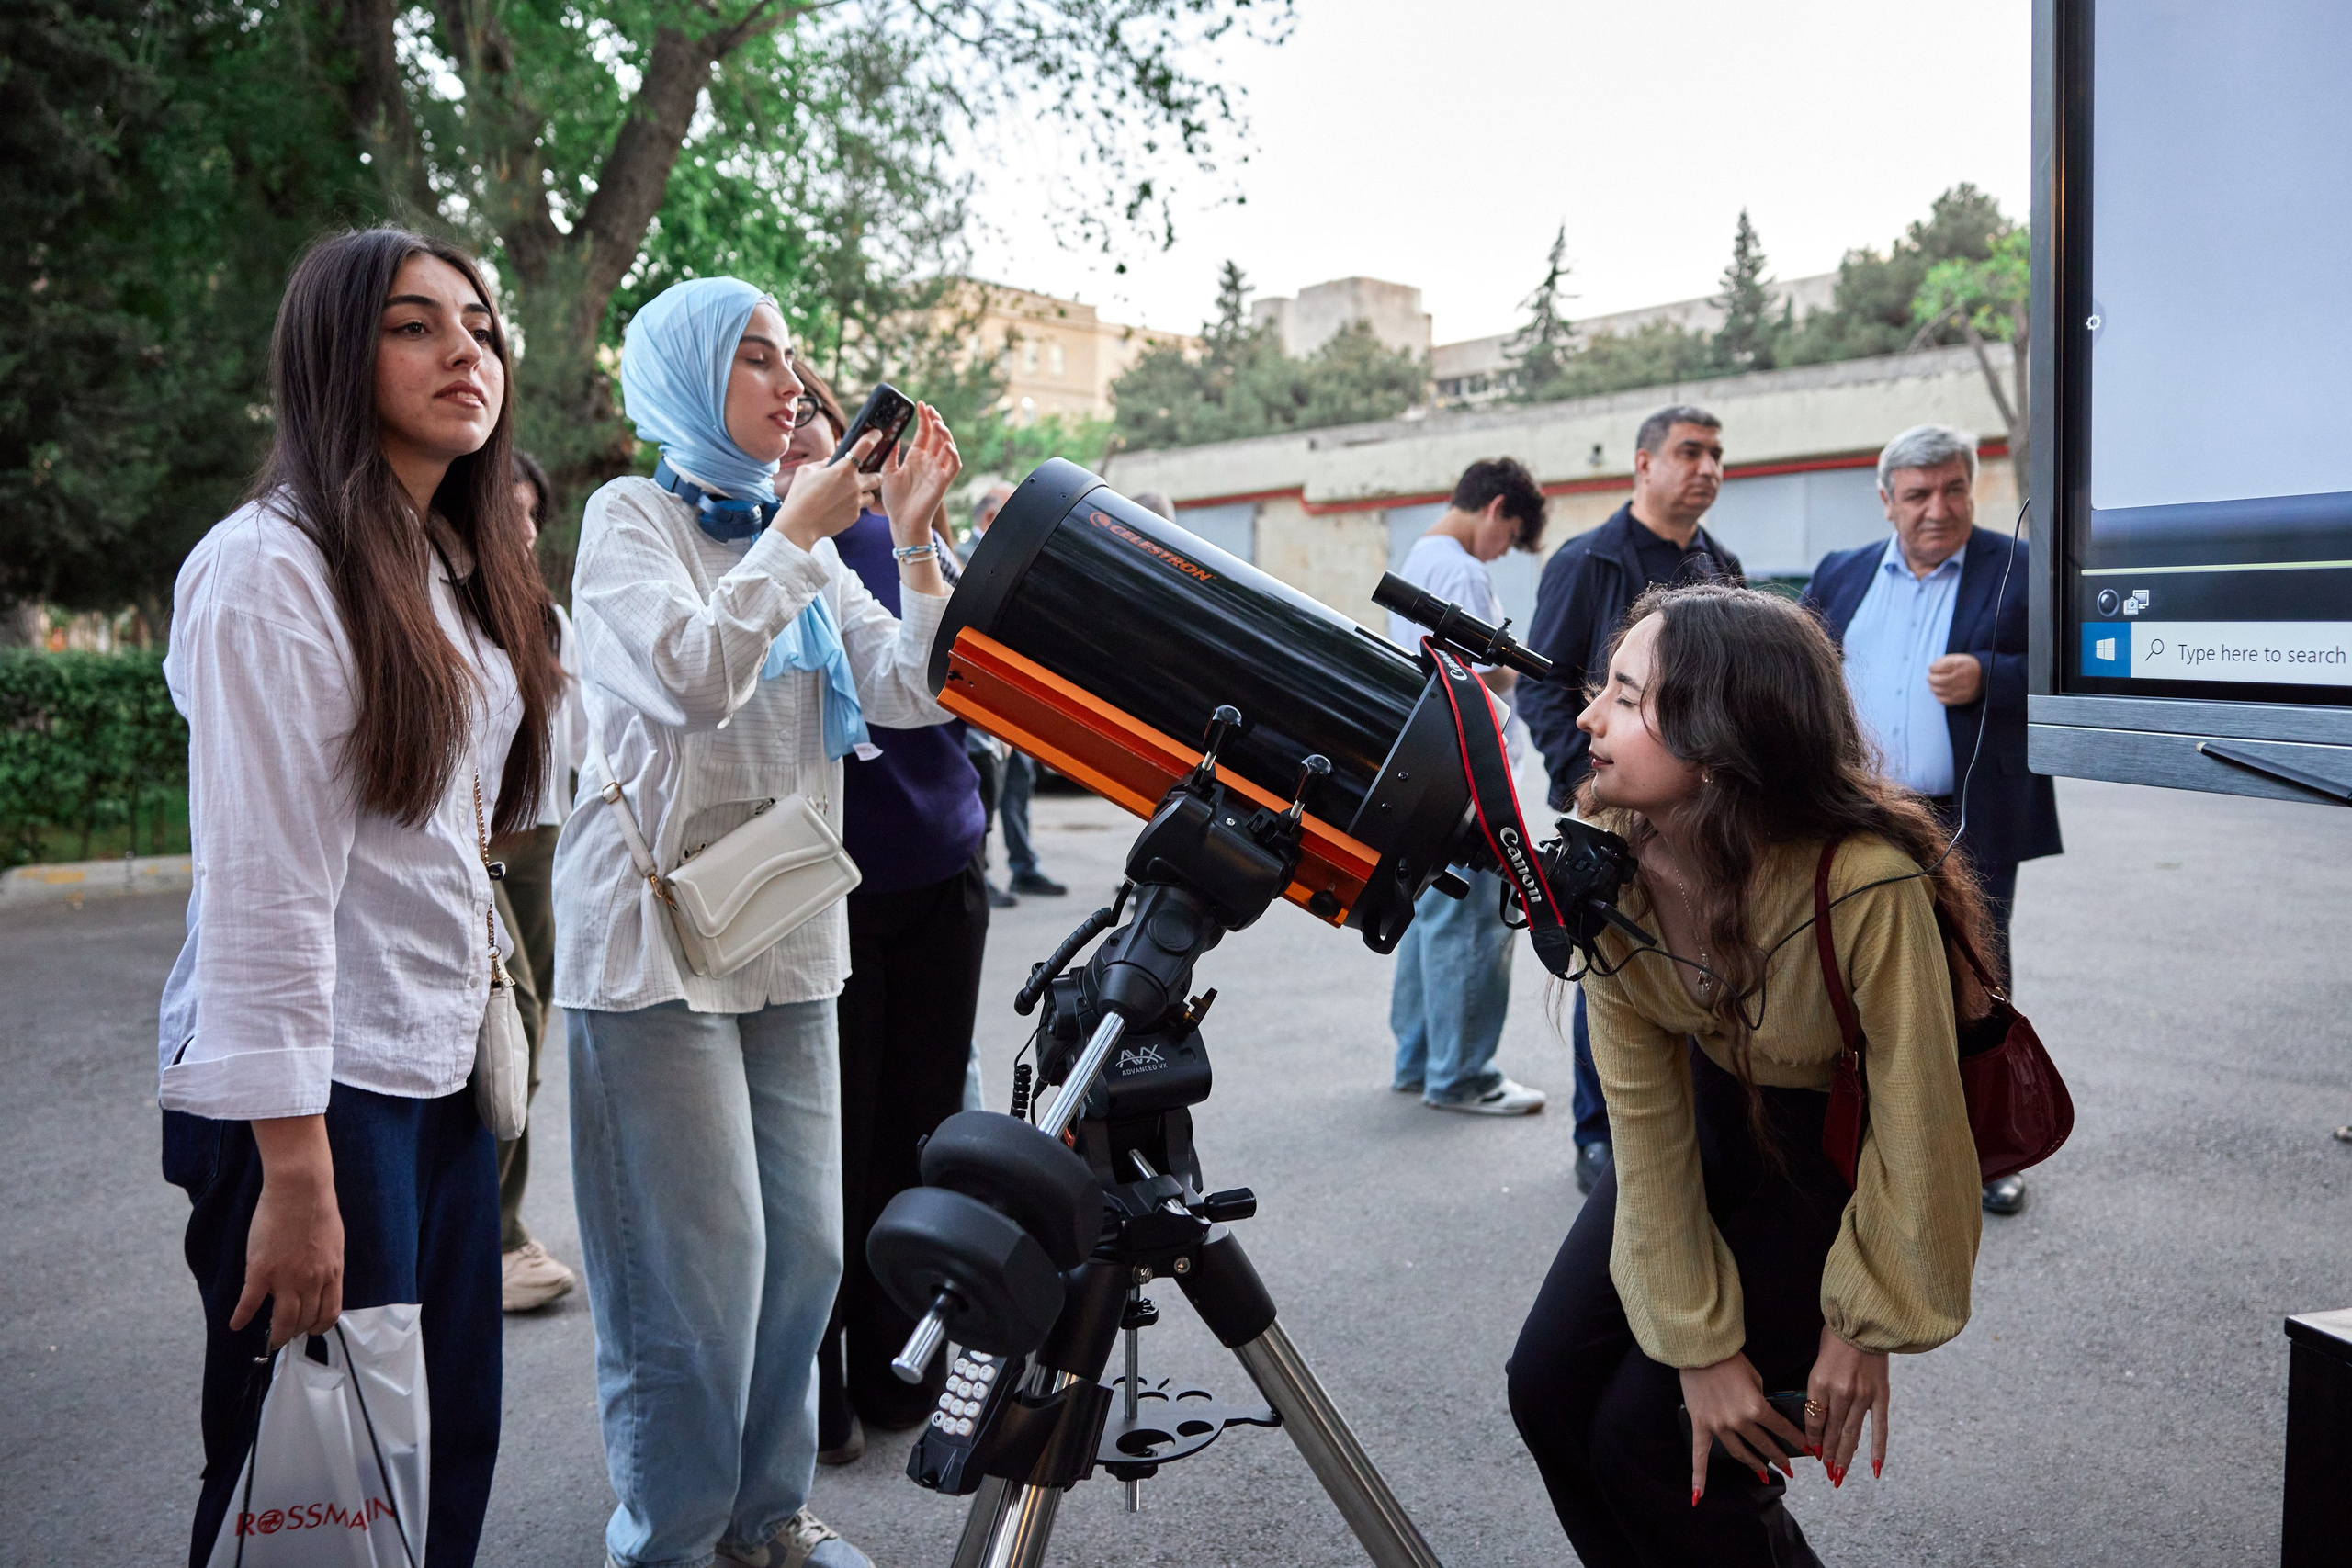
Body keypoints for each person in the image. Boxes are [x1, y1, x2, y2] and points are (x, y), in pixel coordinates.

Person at [158, 225, 562, 1567]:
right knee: (307, 1466)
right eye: (414, 323)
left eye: (481, 325)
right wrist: (295, 1170)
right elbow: (263, 887)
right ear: (338, 352)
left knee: (436, 1449)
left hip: (435, 1070)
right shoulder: (270, 569)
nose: (466, 349)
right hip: (319, 1101)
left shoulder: (450, 566)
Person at [551, 276, 961, 1568]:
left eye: (793, 357)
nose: (791, 384)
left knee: (805, 1250)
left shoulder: (802, 536)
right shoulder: (633, 518)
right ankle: (667, 1535)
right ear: (683, 382)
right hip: (653, 943)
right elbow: (687, 674)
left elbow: (911, 691)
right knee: (699, 1277)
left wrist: (911, 536)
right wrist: (798, 535)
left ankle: (766, 1514)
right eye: (755, 359)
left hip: (785, 926)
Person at [1507, 582, 1984, 1567]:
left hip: (1830, 1153)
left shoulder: (1863, 880)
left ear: (1720, 738)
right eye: (1606, 687)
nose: (1588, 716)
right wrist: (1697, 1343)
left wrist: (1861, 1325)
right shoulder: (1611, 869)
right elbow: (1641, 1131)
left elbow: (1919, 1126)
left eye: (1628, 698)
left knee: (1649, 1441)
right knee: (1546, 1390)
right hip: (1717, 1118)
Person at [785, 365, 992, 1467]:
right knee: (829, 1150)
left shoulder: (906, 543)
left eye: (820, 414)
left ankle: (897, 1365)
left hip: (940, 873)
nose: (810, 433)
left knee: (916, 1138)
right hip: (826, 892)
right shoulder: (778, 551)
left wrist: (928, 535)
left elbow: (961, 683)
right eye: (795, 423)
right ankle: (814, 1392)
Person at [1800, 423, 2061, 1217]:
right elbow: (1800, 676)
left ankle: (1986, 1155)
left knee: (1975, 983)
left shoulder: (2018, 566)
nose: (1937, 508)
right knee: (1849, 973)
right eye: (1917, 494)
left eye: (1953, 488)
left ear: (1971, 488)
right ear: (1887, 501)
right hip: (1857, 812)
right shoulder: (1840, 575)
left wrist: (1994, 674)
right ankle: (1864, 1141)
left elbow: (2067, 670)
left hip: (1969, 815)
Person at [1520, 405, 1745, 1195]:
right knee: (1612, 964)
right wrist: (1582, 781)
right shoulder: (1589, 562)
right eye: (1690, 451)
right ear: (1643, 463)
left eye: (1717, 453)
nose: (1708, 466)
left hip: (1707, 818)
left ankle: (1696, 1129)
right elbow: (1542, 685)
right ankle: (1598, 1135)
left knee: (1701, 961)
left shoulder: (1724, 570)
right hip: (1613, 808)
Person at [1385, 457, 1551, 1116]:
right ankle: (1461, 1075)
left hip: (1431, 765)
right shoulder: (1462, 569)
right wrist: (1513, 670)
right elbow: (1478, 677)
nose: (1503, 549)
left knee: (1434, 916)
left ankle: (1420, 1060)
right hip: (1469, 772)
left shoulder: (1419, 557)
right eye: (1509, 535)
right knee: (1478, 922)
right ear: (1497, 507)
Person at [493, 449, 589, 1312]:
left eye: (532, 511)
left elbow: (582, 736)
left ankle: (498, 1226)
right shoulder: (439, 598)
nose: (525, 528)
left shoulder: (547, 617)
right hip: (474, 843)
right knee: (508, 1022)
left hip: (545, 836)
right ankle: (492, 1234)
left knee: (524, 1039)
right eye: (507, 508)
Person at [968, 479, 1066, 899]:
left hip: (1012, 701)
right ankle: (981, 873)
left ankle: (1024, 867)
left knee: (1017, 783)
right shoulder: (965, 559)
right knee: (984, 788)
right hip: (980, 701)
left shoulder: (1004, 557)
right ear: (991, 517)